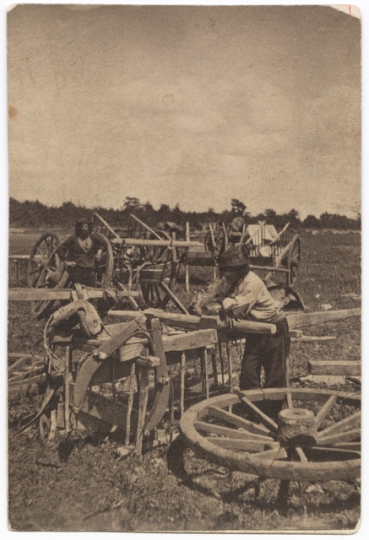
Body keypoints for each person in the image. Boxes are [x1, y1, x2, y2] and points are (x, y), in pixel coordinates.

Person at [195, 248, 290, 418]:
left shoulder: (252, 282)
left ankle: (273, 415)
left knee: (274, 375)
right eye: (225, 269)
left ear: (241, 269)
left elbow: (236, 310)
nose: (227, 273)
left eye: (232, 269)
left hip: (274, 328)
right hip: (254, 328)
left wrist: (222, 303)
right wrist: (219, 305)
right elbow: (207, 303)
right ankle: (255, 412)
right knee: (248, 374)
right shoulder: (227, 281)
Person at [56, 218, 105, 287]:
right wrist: (66, 261)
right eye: (82, 227)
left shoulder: (93, 237)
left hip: (90, 269)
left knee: (91, 288)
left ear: (89, 228)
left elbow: (103, 242)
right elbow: (60, 249)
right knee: (77, 289)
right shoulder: (73, 238)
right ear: (79, 228)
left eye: (86, 226)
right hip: (76, 269)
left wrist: (99, 252)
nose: (84, 229)